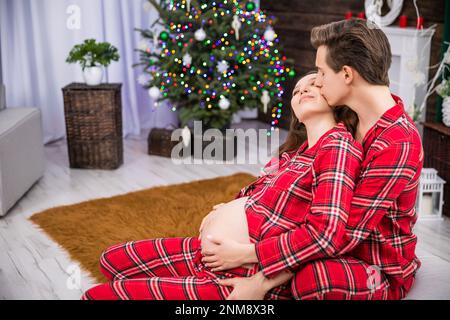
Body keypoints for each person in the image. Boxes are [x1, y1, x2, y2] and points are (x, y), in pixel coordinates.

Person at [81, 72, 363, 300]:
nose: (302, 91)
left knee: (96, 296)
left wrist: (256, 277)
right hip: (208, 255)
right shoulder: (294, 154)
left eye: (314, 83)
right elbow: (261, 201)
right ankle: (181, 280)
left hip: (236, 278)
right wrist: (226, 209)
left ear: (335, 98)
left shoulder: (336, 146)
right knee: (110, 260)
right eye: (296, 90)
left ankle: (187, 286)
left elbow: (323, 235)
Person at [221, 19, 424, 300]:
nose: (316, 80)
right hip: (328, 239)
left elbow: (342, 235)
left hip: (372, 262)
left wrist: (259, 273)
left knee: (313, 280)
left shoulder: (398, 142)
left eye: (321, 71)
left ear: (347, 75)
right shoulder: (350, 118)